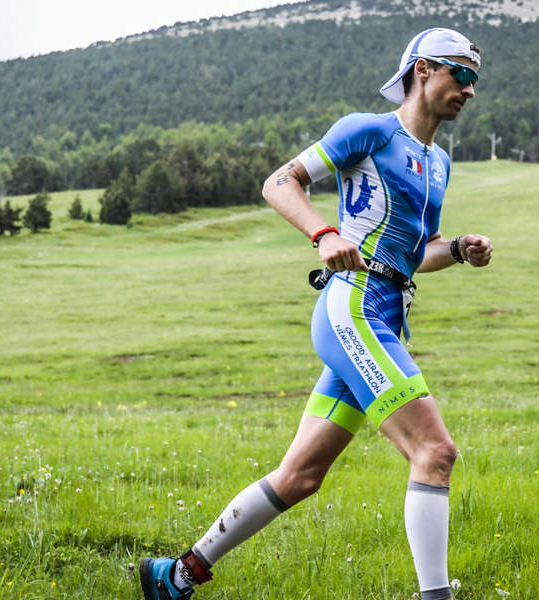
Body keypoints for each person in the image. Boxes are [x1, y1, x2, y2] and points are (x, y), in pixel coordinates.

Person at [139, 27, 493, 600]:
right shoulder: (368, 131)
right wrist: (323, 233)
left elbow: (414, 254)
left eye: (477, 80)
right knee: (435, 452)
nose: (471, 91)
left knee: (300, 477)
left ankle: (176, 575)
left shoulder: (440, 164)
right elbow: (280, 182)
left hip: (385, 312)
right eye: (464, 75)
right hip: (352, 309)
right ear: (424, 69)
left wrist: (456, 249)